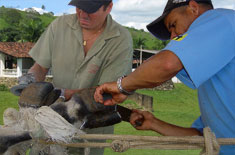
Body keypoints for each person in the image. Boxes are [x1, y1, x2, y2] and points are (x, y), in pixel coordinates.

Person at [94, 0, 235, 154]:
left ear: (193, 8)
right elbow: (200, 135)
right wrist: (154, 123)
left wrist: (122, 86)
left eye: (173, 25)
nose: (173, 37)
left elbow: (167, 64)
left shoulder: (222, 19)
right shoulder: (215, 76)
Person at [23, 0, 133, 154]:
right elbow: (40, 66)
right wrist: (31, 80)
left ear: (108, 7)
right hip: (51, 121)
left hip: (91, 125)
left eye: (90, 9)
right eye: (79, 7)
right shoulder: (59, 26)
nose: (82, 14)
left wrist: (61, 94)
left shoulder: (121, 39)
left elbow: (110, 91)